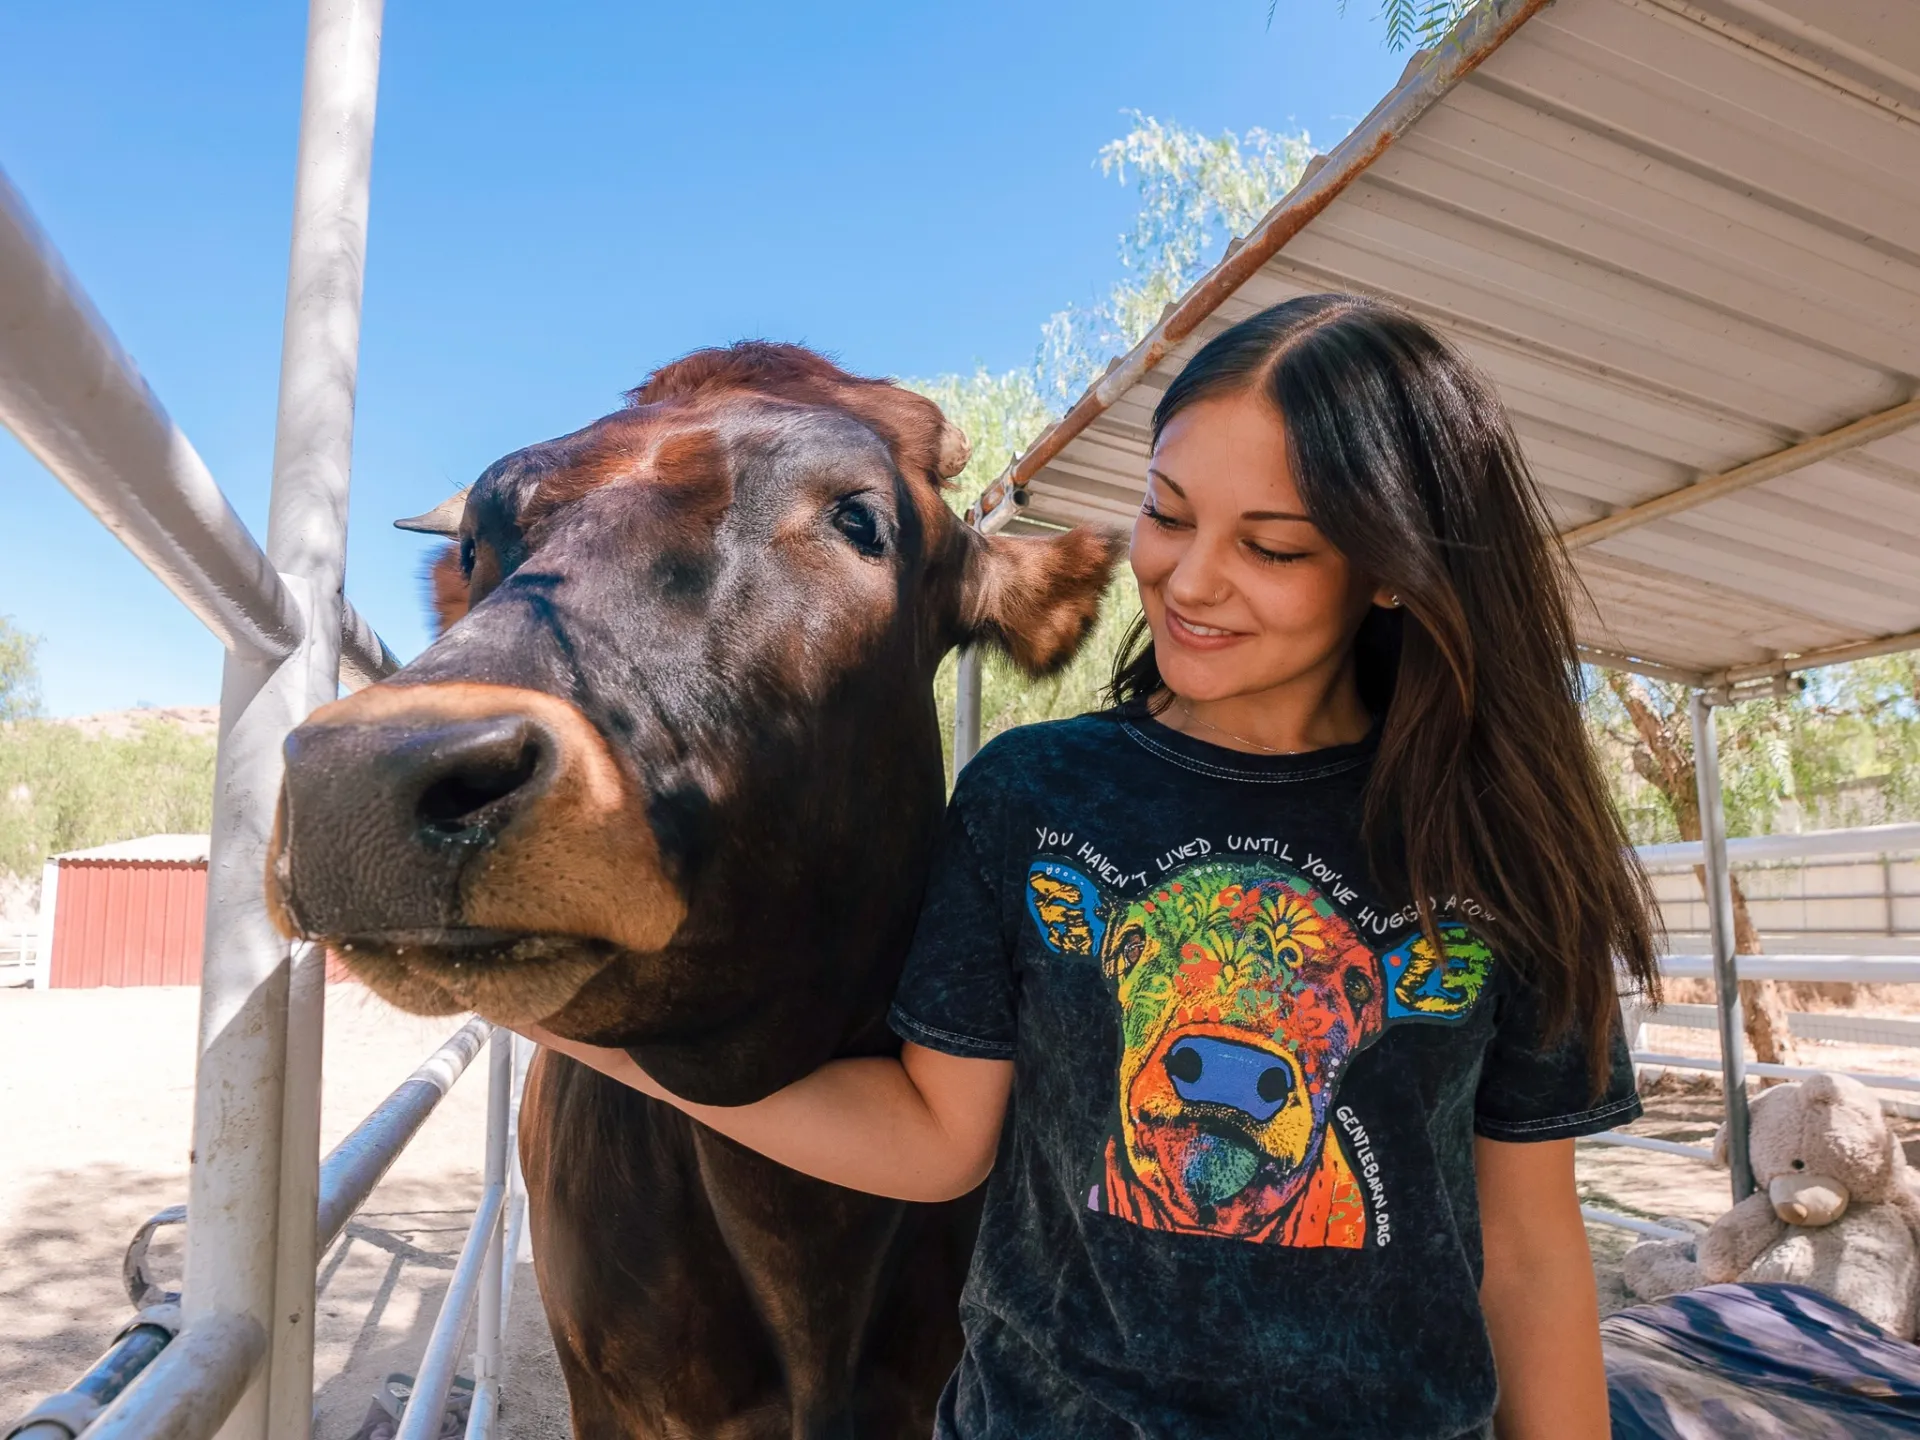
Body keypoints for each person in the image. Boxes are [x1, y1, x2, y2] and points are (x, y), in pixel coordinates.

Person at [524, 294, 1662, 1440]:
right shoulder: (1035, 796)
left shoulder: (1495, 849)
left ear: (1391, 567)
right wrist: (573, 1022)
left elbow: (1526, 1255)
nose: (1190, 580)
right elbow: (932, 1139)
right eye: (1168, 515)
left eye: (1270, 546)